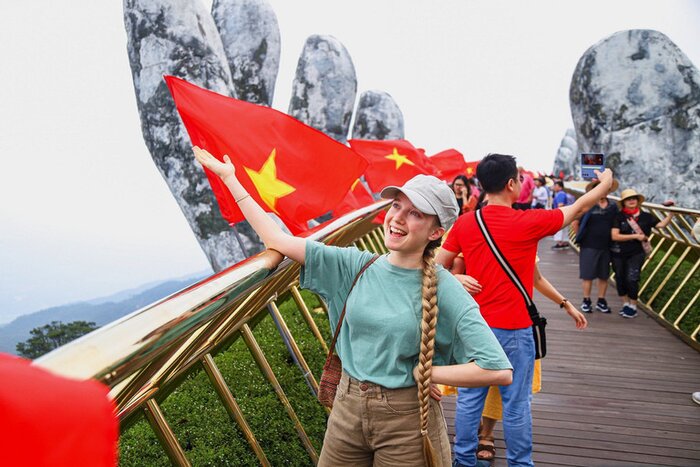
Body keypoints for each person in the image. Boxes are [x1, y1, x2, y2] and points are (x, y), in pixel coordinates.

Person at [192, 146, 513, 466]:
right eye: (397, 205)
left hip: (406, 419)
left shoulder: (445, 288)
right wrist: (230, 179)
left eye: (415, 213)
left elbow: (497, 369)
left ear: (436, 232)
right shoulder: (354, 265)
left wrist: (427, 372)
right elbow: (276, 238)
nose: (397, 218)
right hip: (346, 408)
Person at [436, 153, 613, 467]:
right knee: (516, 405)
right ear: (511, 184)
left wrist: (456, 277)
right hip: (516, 330)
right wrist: (606, 178)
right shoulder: (529, 221)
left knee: (469, 401)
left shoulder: (466, 223)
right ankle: (519, 463)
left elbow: (433, 268)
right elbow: (581, 206)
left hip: (474, 328)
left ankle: (463, 461)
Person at [448, 261, 587, 462]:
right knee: (508, 399)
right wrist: (454, 278)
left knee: (473, 397)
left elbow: (535, 277)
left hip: (494, 324)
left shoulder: (517, 233)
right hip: (491, 323)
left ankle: (478, 444)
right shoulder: (470, 230)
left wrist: (565, 303)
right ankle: (502, 453)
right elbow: (441, 269)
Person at [611, 189, 674, 318]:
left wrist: (671, 214)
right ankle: (625, 304)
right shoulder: (618, 216)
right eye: (629, 199)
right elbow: (615, 236)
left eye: (634, 198)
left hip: (637, 252)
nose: (632, 200)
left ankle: (633, 306)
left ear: (638, 201)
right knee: (620, 277)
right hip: (619, 252)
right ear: (623, 202)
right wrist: (635, 236)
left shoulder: (646, 216)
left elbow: (661, 225)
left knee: (632, 278)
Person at [572, 179, 620, 313]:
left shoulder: (613, 206)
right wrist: (580, 238)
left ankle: (601, 300)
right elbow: (575, 222)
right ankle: (586, 300)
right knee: (587, 275)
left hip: (606, 246)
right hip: (589, 245)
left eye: (605, 188)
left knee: (603, 275)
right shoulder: (588, 205)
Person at [551, 181, 571, 249]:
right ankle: (564, 243)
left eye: (555, 185)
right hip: (565, 214)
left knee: (559, 229)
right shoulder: (563, 193)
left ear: (560, 187)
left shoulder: (560, 194)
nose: (554, 187)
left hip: (560, 214)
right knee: (564, 229)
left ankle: (560, 243)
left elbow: (560, 205)